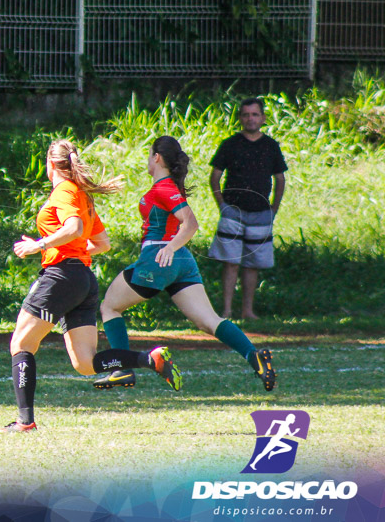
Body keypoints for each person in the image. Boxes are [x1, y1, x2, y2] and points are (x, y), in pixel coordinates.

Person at [2, 139, 183, 434]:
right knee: (86, 364)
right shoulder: (83, 196)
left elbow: (73, 229)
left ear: (50, 164)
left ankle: (25, 421)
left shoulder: (64, 191)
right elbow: (102, 244)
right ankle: (149, 360)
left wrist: (40, 245)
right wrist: (72, 251)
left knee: (21, 344)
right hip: (83, 279)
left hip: (60, 277)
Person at [95, 136, 276, 392]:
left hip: (160, 258)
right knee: (209, 321)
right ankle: (254, 357)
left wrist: (169, 247)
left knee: (110, 307)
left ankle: (122, 370)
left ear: (157, 157)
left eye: (149, 155)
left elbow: (190, 223)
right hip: (182, 262)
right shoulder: (167, 187)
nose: (148, 160)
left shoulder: (163, 187)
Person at [208, 97, 288, 320]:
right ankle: (226, 311)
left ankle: (248, 312)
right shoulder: (230, 144)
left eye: (254, 114)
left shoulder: (271, 146)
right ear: (240, 118)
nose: (250, 118)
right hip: (233, 212)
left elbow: (280, 178)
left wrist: (274, 208)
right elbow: (215, 176)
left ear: (262, 118)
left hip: (262, 213)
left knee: (253, 265)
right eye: (246, 114)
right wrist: (222, 205)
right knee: (231, 263)